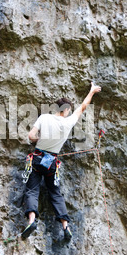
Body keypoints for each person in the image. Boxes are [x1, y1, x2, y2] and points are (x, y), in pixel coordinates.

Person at [21, 82, 102, 241]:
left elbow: (30, 136)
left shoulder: (44, 117)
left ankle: (31, 221)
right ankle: (66, 226)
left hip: (37, 158)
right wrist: (92, 91)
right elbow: (84, 106)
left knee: (32, 190)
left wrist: (39, 140)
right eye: (69, 111)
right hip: (52, 163)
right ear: (65, 110)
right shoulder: (68, 122)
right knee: (55, 193)